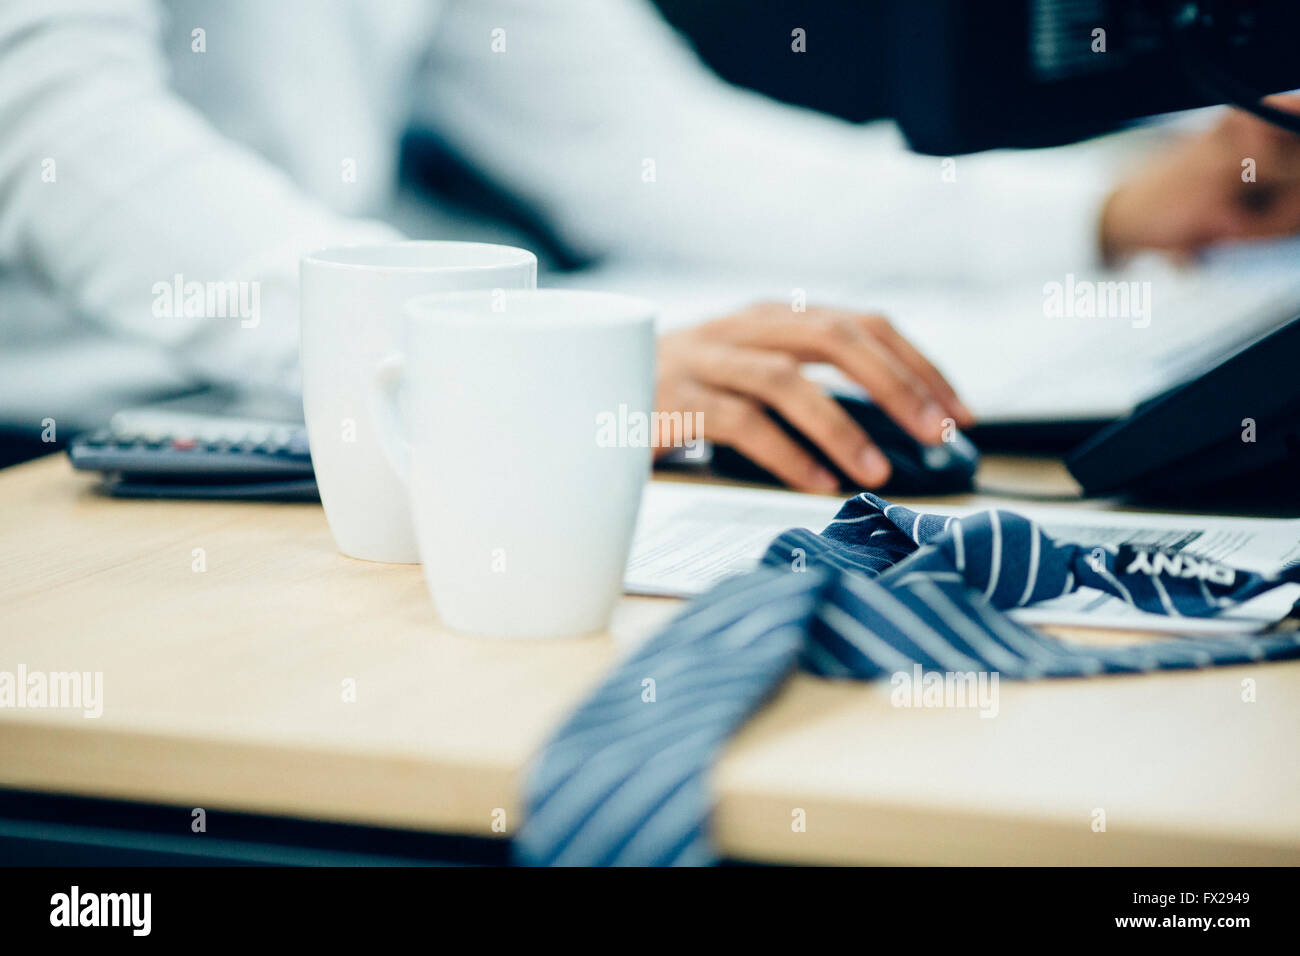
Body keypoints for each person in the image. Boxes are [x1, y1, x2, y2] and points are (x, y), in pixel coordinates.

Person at [2, 0, 1298, 487]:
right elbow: (52, 130)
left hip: (330, 401)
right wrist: (492, 359)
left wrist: (1105, 212)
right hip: (76, 448)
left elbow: (649, 154)